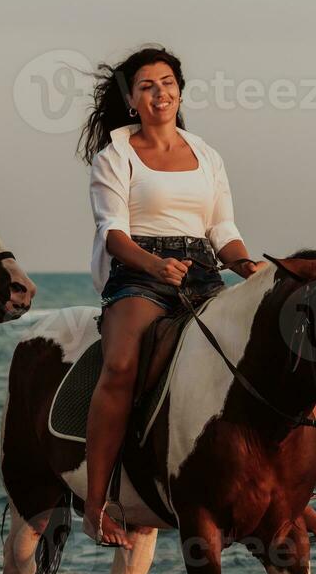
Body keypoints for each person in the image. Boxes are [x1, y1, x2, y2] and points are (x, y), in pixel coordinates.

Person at [78, 47, 268, 548]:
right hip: (139, 275)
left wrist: (245, 265)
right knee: (120, 366)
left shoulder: (206, 154)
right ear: (131, 99)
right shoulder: (115, 156)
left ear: (179, 91)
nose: (159, 93)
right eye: (147, 86)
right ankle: (96, 505)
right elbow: (113, 232)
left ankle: (280, 498)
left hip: (204, 272)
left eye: (167, 83)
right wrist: (154, 264)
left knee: (254, 359)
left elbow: (221, 228)